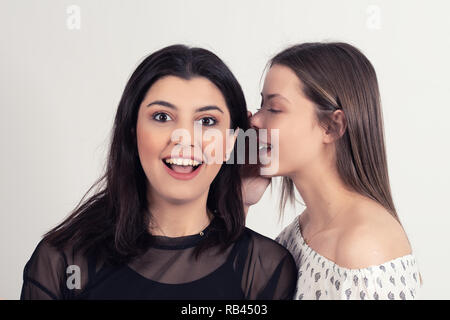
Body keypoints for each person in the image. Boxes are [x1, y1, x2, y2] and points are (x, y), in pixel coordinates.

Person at [20, 44, 297, 300]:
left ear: (233, 142)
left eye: (207, 121)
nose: (184, 138)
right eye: (162, 117)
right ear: (132, 132)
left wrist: (239, 201)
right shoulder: (63, 260)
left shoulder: (265, 270)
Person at [245, 42, 422, 300]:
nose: (255, 120)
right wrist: (241, 203)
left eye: (273, 109)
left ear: (330, 126)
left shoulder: (364, 249)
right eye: (261, 106)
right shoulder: (305, 228)